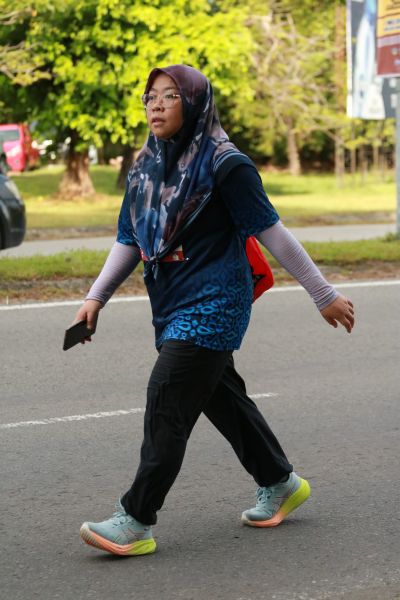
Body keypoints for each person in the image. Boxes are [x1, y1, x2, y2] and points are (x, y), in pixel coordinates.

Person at [75, 64, 355, 557]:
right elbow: (129, 239)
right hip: (171, 302)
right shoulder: (145, 166)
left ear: (194, 104)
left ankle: (136, 519)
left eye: (169, 95)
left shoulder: (227, 165)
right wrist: (95, 297)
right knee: (220, 396)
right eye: (150, 96)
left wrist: (322, 293)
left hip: (216, 304)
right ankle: (280, 482)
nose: (156, 104)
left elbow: (272, 232)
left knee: (167, 397)